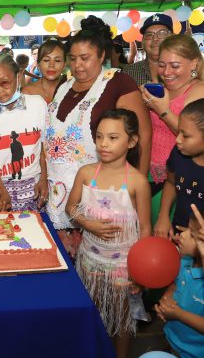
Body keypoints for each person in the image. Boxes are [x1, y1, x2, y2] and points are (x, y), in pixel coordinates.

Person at [44, 16, 151, 258]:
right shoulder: (64, 85)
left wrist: (137, 188)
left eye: (85, 58)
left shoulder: (118, 82)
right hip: (59, 192)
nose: (78, 65)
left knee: (103, 260)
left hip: (103, 195)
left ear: (102, 56)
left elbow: (143, 135)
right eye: (73, 58)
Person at [66, 109, 151, 358]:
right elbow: (71, 208)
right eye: (99, 136)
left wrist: (140, 273)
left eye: (113, 137)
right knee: (91, 313)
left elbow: (145, 229)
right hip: (90, 261)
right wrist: (87, 223)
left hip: (123, 266)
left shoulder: (137, 182)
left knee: (122, 319)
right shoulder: (86, 172)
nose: (103, 143)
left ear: (132, 141)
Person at [0, 53, 48, 211]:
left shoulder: (37, 105)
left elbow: (42, 148)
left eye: (5, 83)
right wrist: (1, 191)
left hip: (33, 188)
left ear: (19, 76)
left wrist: (44, 179)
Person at [141, 34, 204, 193]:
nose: (166, 72)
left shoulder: (199, 91)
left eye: (175, 66)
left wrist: (163, 111)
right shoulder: (162, 89)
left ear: (194, 63)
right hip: (148, 172)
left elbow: (195, 137)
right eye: (162, 65)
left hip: (180, 178)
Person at [155, 204, 204, 358]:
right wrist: (166, 301)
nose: (182, 234)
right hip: (170, 339)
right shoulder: (185, 262)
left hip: (194, 357)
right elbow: (175, 285)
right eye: (187, 229)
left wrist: (179, 314)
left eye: (192, 234)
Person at [154, 99, 204, 238]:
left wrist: (195, 240)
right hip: (177, 233)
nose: (178, 140)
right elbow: (171, 182)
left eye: (185, 135)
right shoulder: (178, 153)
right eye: (179, 133)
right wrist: (163, 216)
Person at [122, 13, 173, 85]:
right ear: (142, 42)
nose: (155, 38)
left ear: (173, 38)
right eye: (149, 35)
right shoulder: (129, 73)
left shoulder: (184, 71)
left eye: (162, 33)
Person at [22, 39, 66, 104]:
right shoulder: (27, 92)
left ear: (64, 65)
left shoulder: (72, 88)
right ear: (38, 64)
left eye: (57, 60)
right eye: (46, 60)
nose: (51, 65)